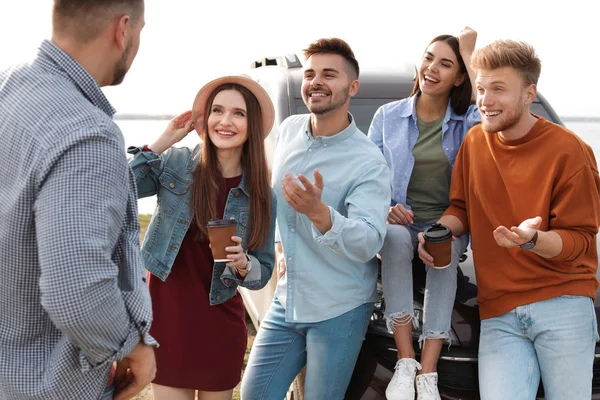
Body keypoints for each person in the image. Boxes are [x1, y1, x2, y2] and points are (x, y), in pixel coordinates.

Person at [418, 39, 600, 400]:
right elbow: (461, 209)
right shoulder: (473, 144)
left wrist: (533, 239)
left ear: (529, 93)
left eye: (498, 89)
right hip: (499, 313)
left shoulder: (570, 152)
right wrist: (439, 230)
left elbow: (580, 241)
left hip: (562, 305)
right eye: (481, 89)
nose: (485, 100)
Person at [0, 1, 156, 400]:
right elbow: (76, 291)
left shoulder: (9, 87)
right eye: (141, 30)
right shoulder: (88, 134)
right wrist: (132, 346)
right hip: (40, 384)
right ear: (123, 30)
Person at [240, 37, 391, 400]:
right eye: (309, 74)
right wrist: (279, 244)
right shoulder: (290, 129)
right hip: (287, 300)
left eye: (329, 74)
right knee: (254, 394)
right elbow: (275, 199)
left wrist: (321, 214)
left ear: (352, 87)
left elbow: (370, 241)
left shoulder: (368, 161)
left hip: (339, 307)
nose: (316, 81)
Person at [128, 75, 276, 400]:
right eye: (217, 110)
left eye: (238, 113)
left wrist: (243, 264)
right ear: (205, 118)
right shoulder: (177, 163)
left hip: (220, 323)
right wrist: (162, 142)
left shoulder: (262, 193)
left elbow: (263, 270)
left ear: (252, 124)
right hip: (166, 317)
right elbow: (120, 188)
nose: (225, 121)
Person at [368, 27, 479, 400]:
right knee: (396, 238)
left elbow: (491, 131)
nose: (431, 68)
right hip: (400, 221)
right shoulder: (388, 116)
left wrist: (470, 53)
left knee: (443, 254)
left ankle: (428, 371)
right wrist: (385, 207)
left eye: (446, 64)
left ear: (460, 76)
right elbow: (367, 176)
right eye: (429, 58)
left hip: (446, 222)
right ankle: (406, 360)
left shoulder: (467, 122)